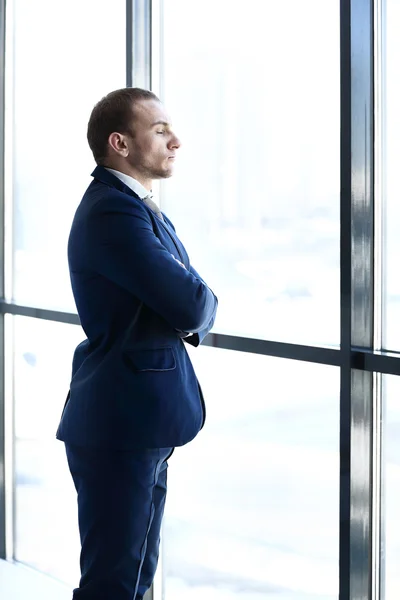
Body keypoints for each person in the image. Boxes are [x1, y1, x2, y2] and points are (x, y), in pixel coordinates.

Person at [56, 87, 218, 600]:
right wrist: (199, 300)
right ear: (120, 143)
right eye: (160, 130)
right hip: (119, 423)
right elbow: (193, 304)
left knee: (135, 577)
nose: (176, 141)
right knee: (113, 583)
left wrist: (191, 297)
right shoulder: (113, 212)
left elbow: (184, 295)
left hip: (139, 422)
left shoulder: (135, 207)